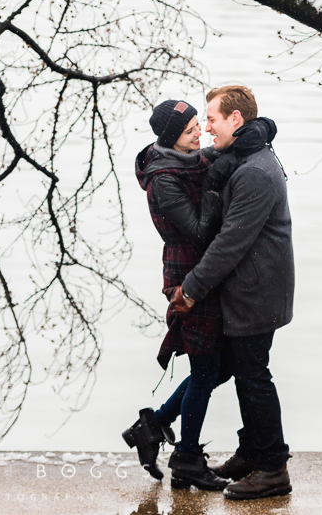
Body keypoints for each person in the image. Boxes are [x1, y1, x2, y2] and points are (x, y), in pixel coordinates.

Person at [126, 98, 273, 491]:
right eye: (192, 128)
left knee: (219, 367)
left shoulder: (193, 159)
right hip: (188, 274)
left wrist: (262, 128)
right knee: (207, 369)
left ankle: (154, 424)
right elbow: (198, 232)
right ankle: (187, 457)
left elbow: (231, 147)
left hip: (208, 273)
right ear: (173, 136)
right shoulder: (165, 178)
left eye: (199, 123)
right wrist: (214, 183)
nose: (200, 131)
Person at [169, 84, 294, 501]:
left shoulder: (254, 171)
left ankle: (273, 469)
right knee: (246, 373)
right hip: (253, 288)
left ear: (235, 120)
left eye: (213, 119)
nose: (207, 128)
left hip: (256, 293)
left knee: (255, 378)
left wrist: (191, 288)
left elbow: (230, 243)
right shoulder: (245, 158)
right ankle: (251, 453)